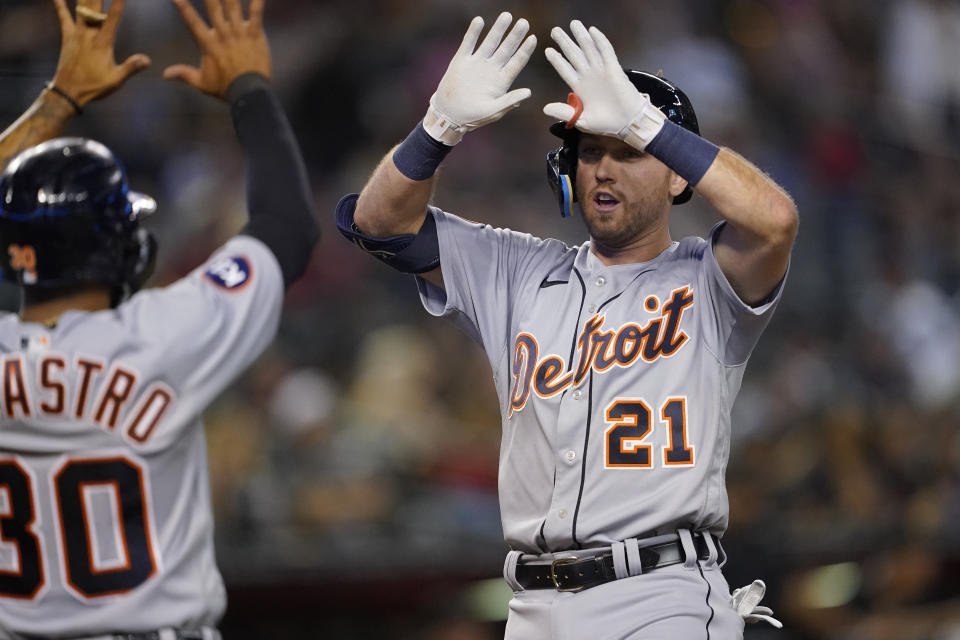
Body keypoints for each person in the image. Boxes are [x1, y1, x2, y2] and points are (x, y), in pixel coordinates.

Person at [336, 11, 797, 639]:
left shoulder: (709, 278)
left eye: (627, 153)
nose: (602, 169)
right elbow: (377, 224)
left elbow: (775, 219)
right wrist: (437, 127)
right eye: (589, 151)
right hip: (532, 605)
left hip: (661, 597)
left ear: (675, 175)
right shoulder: (517, 271)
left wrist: (646, 122)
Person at [0, 0, 317, 637]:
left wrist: (57, 99)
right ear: (117, 245)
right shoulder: (165, 334)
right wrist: (248, 88)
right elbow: (287, 226)